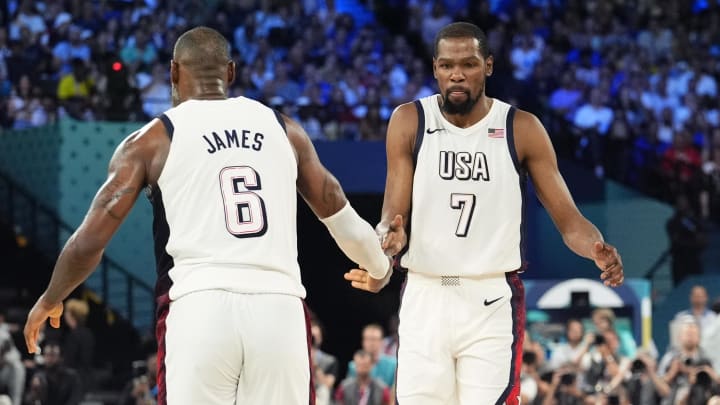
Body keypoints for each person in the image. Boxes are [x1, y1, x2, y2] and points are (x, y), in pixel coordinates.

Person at [23, 26, 391, 405]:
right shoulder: (282, 127)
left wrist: (52, 297)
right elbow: (333, 202)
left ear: (173, 72)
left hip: (200, 308)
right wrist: (379, 266)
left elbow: (90, 241)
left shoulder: (152, 139)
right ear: (230, 72)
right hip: (278, 309)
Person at [344, 22, 624, 404]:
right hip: (425, 293)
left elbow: (569, 220)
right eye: (446, 65)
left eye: (469, 64)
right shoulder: (410, 120)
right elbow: (394, 218)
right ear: (435, 69)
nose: (456, 73)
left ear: (488, 66)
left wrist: (596, 247)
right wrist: (388, 246)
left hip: (490, 299)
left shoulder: (521, 128)